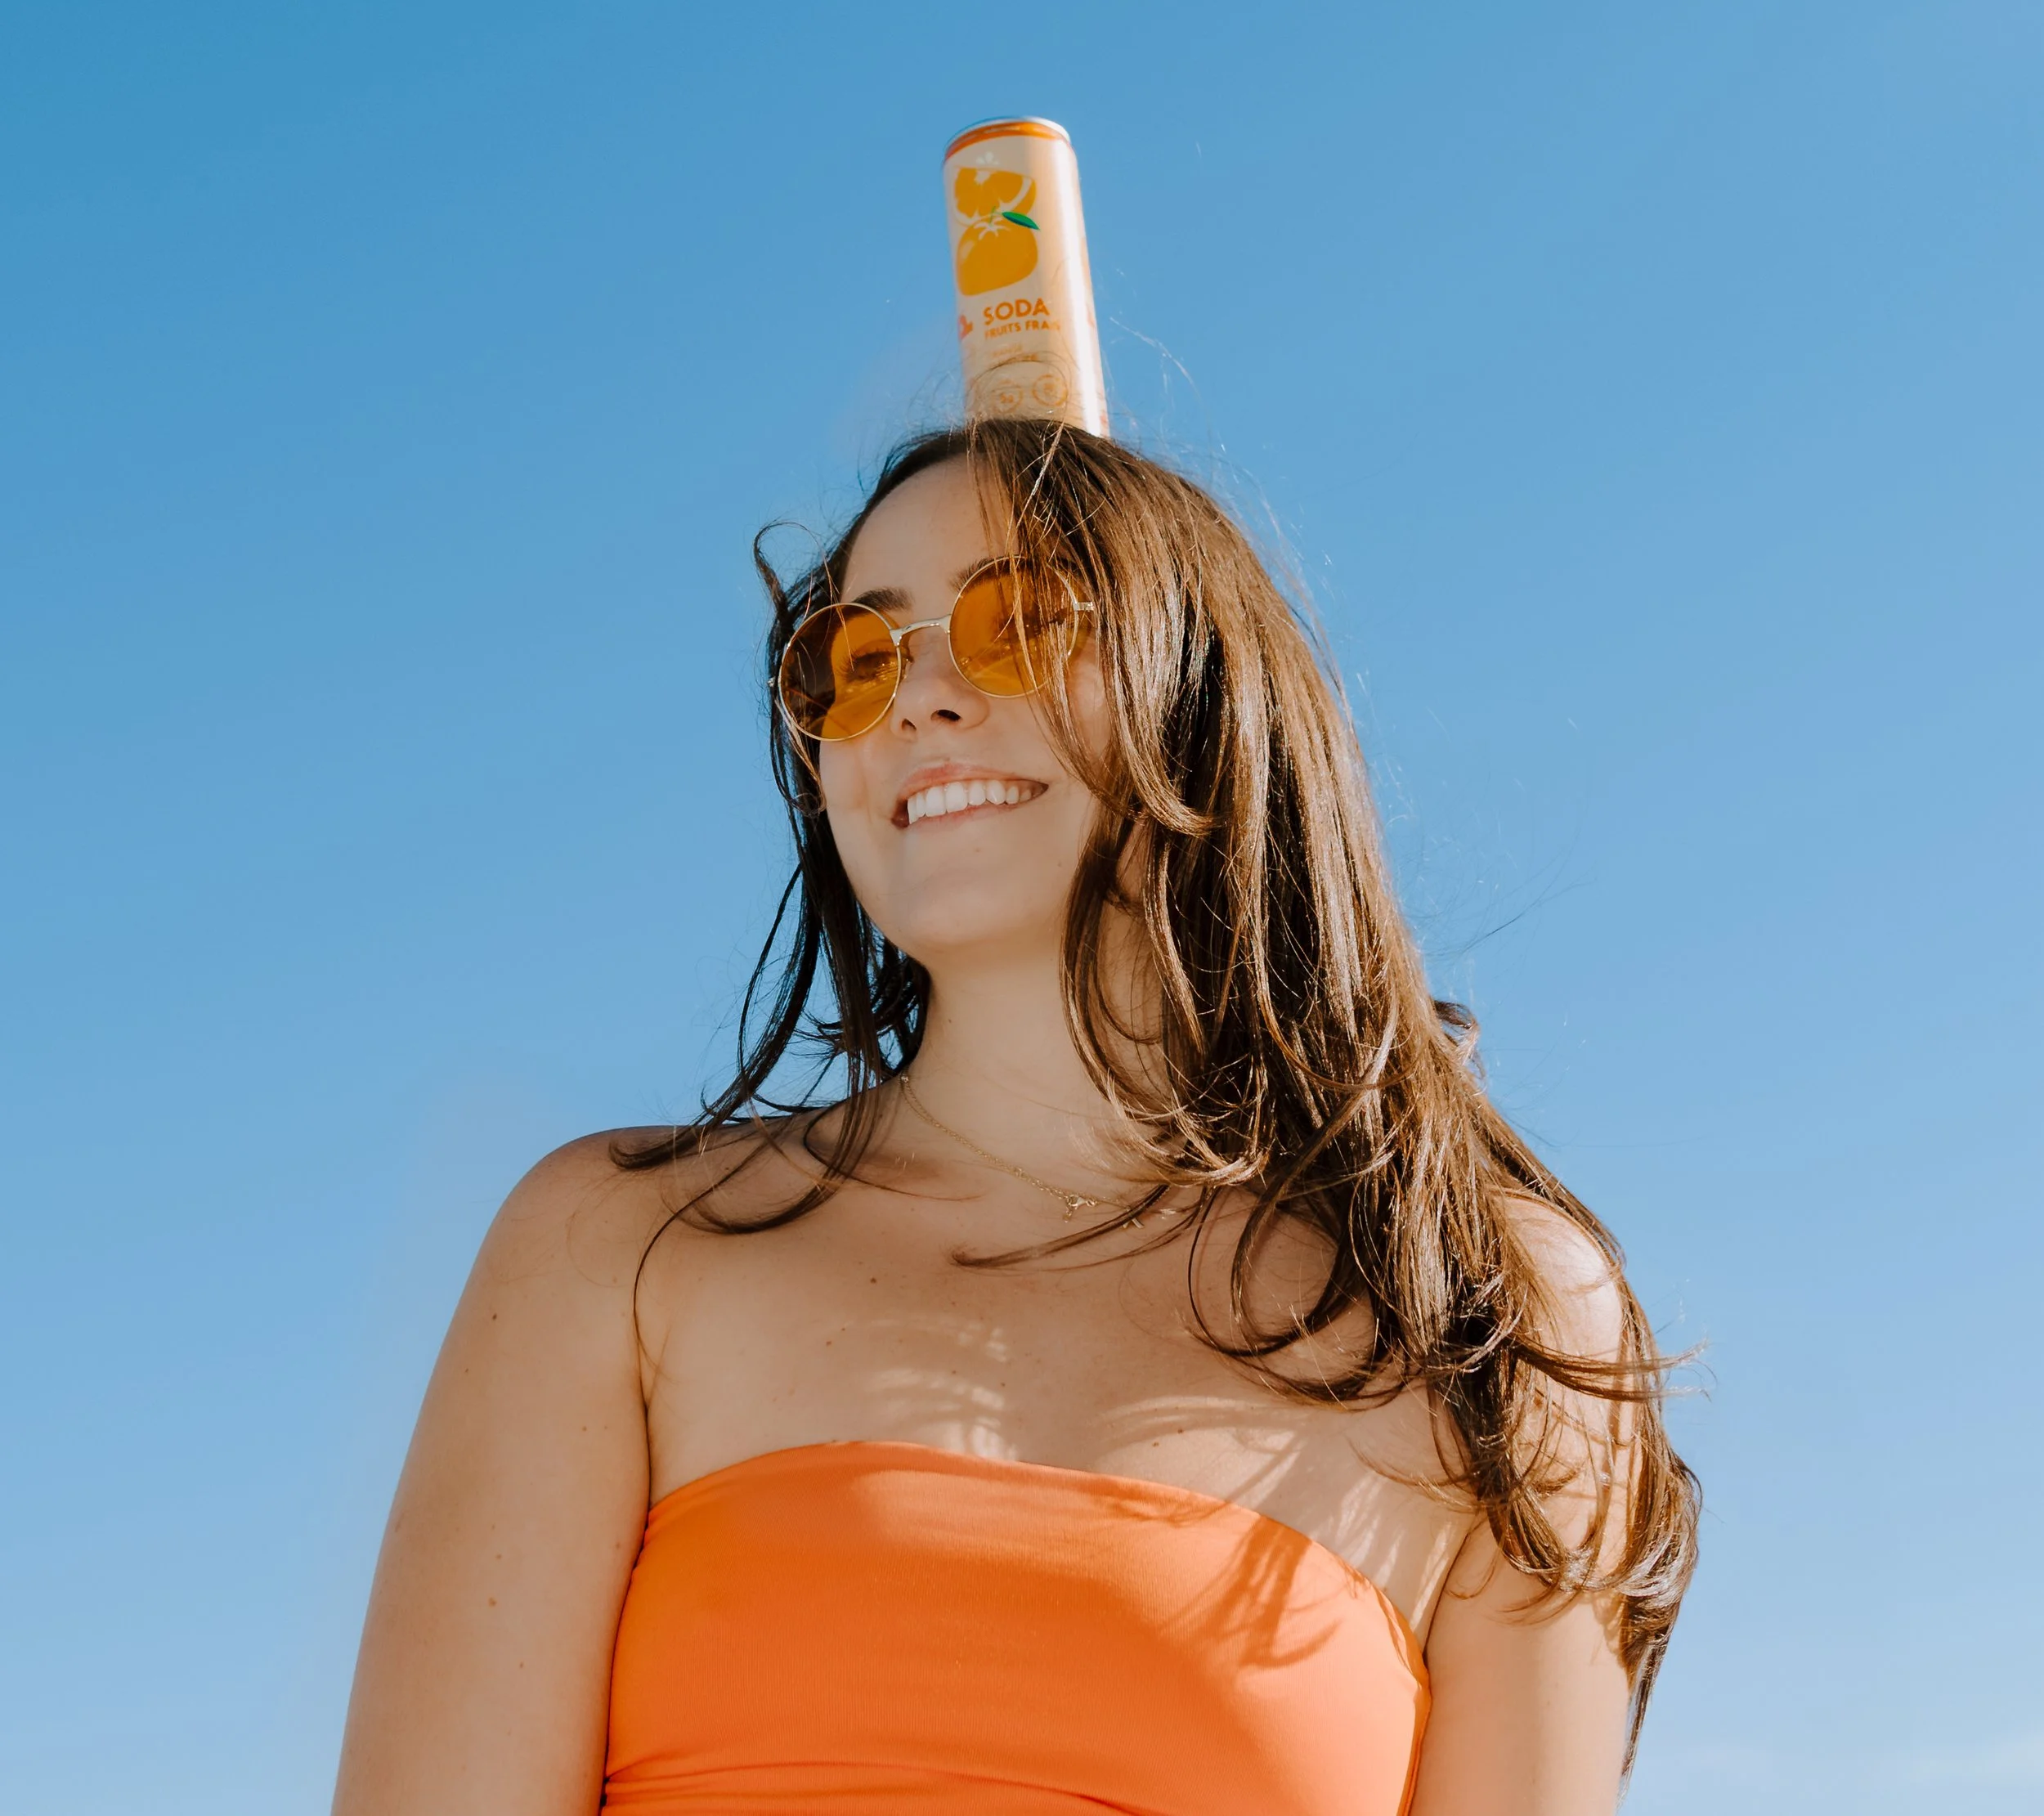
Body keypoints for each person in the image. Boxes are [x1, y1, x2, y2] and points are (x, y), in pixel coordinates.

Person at [333, 419, 1698, 1816]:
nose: (916, 696)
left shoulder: (1485, 1321)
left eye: (1021, 622)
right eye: (857, 661)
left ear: (1210, 696)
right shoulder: (615, 1250)